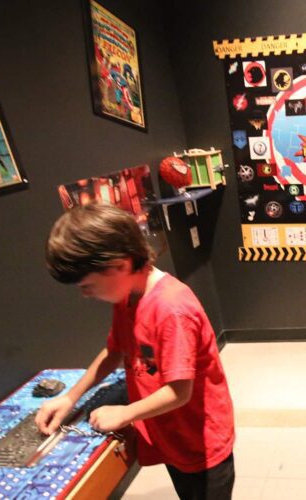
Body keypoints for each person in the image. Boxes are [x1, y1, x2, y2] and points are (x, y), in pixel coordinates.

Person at [37, 203, 235, 500]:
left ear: (121, 265)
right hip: (171, 433)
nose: (85, 294)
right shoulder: (128, 295)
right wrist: (70, 397)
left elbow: (179, 392)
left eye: (88, 285)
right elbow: (114, 351)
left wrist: (126, 413)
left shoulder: (171, 309)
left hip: (199, 442)